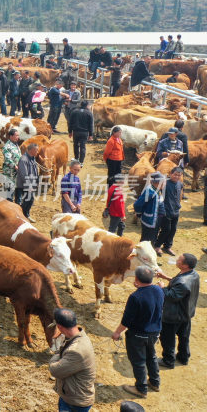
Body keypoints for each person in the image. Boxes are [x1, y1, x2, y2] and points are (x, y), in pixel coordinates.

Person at [112, 266, 164, 398]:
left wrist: (117, 332)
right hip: (154, 332)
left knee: (139, 361)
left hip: (138, 335)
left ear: (136, 279)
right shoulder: (159, 290)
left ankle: (141, 389)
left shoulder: (135, 297)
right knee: (151, 356)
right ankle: (155, 382)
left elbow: (126, 320)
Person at [156, 252, 199, 369]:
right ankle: (183, 357)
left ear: (185, 265)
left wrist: (162, 287)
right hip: (186, 313)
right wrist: (165, 277)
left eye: (179, 260)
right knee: (184, 337)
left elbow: (171, 296)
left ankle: (168, 361)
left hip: (173, 316)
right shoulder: (193, 274)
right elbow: (178, 282)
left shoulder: (183, 283)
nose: (177, 260)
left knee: (167, 339)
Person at [49, 308, 96, 412]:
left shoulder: (76, 351)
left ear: (59, 327)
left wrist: (58, 347)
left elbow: (54, 370)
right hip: (72, 395)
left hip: (74, 403)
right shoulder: (80, 334)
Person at [155, 167, 183, 257]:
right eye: (175, 174)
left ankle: (167, 246)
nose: (177, 177)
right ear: (170, 174)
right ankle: (157, 246)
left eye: (179, 175)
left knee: (173, 229)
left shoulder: (180, 184)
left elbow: (179, 196)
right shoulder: (164, 183)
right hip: (166, 210)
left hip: (175, 210)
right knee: (166, 229)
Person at [134, 172, 164, 245]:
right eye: (162, 182)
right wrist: (139, 213)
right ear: (157, 183)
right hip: (149, 220)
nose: (164, 184)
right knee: (146, 239)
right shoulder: (150, 192)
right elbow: (137, 204)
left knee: (152, 237)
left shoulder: (157, 190)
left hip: (155, 219)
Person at [16, 143, 40, 222]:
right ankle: (21, 216)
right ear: (31, 150)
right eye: (36, 150)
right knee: (27, 201)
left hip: (31, 184)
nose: (37, 152)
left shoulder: (32, 158)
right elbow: (24, 174)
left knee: (30, 200)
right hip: (24, 185)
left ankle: (26, 215)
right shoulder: (24, 159)